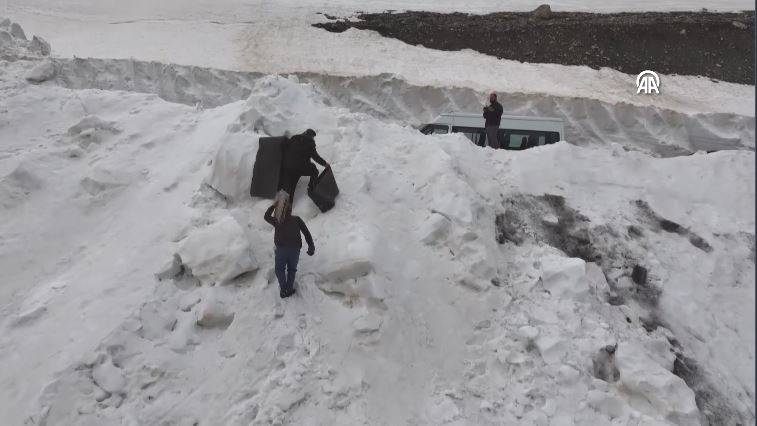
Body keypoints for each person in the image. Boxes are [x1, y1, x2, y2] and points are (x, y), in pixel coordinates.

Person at [264, 200, 315, 298]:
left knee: (279, 269)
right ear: (290, 210)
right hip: (295, 250)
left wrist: (273, 206)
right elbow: (306, 233)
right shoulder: (297, 219)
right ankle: (289, 288)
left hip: (282, 249)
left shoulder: (278, 219)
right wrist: (311, 246)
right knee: (292, 270)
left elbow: (266, 217)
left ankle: (284, 290)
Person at [280, 129, 330, 198]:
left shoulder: (294, 138)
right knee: (314, 171)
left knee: (293, 175)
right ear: (311, 136)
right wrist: (325, 164)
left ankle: (286, 197)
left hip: (287, 166)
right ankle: (311, 188)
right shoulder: (310, 143)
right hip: (299, 167)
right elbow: (316, 157)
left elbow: (285, 146)